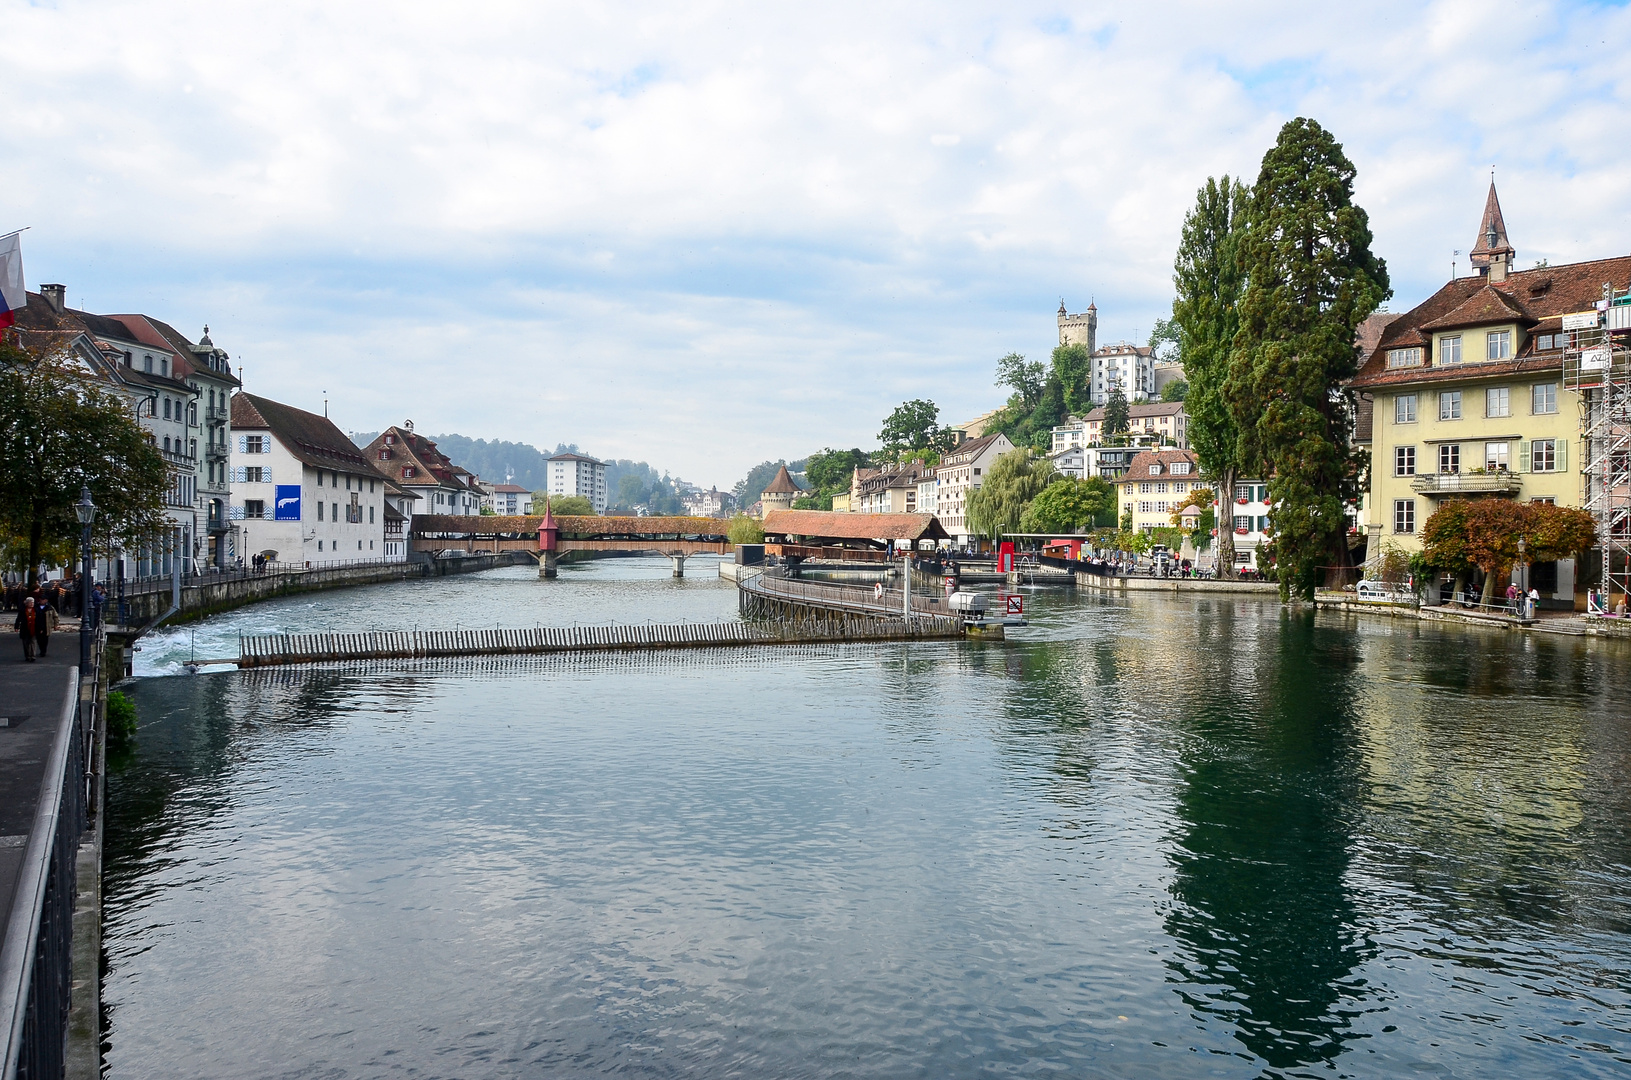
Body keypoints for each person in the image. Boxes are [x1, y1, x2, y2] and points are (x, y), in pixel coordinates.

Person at [14, 596, 40, 662]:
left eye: (33, 602)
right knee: (26, 643)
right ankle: (27, 655)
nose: (32, 604)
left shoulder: (36, 610)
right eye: (30, 603)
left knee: (33, 642)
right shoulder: (23, 610)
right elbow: (18, 619)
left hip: (34, 628)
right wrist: (16, 627)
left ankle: (33, 656)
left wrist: (41, 628)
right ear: (27, 603)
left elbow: (40, 619)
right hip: (25, 628)